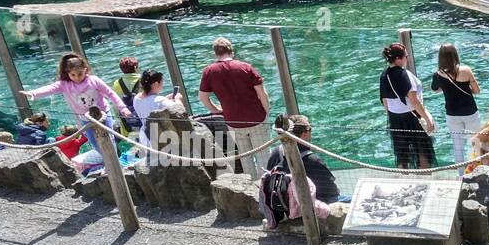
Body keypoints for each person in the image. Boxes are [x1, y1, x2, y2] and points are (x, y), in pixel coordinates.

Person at [23, 52, 133, 154]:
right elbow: (49, 88)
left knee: (109, 139)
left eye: (80, 74)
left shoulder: (93, 80)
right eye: (73, 75)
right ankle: (106, 160)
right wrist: (33, 93)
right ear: (67, 73)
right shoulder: (64, 84)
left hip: (103, 114)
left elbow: (110, 93)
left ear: (85, 69)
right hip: (85, 118)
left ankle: (114, 162)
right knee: (94, 142)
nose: (77, 78)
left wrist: (123, 108)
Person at [198, 37, 270, 179]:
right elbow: (262, 93)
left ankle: (253, 190)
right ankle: (267, 189)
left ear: (216, 53)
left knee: (246, 158)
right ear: (231, 50)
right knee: (264, 158)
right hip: (257, 118)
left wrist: (216, 110)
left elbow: (202, 97)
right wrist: (266, 112)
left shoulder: (209, 71)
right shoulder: (245, 67)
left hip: (233, 122)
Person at [379, 42, 436, 172]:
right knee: (423, 151)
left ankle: (403, 179)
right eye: (405, 56)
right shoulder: (404, 75)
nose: (407, 58)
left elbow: (384, 102)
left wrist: (394, 114)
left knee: (402, 154)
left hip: (394, 118)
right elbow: (414, 101)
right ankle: (425, 179)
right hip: (412, 117)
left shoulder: (384, 75)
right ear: (398, 59)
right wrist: (427, 119)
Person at [265, 113, 342, 203]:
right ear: (304, 134)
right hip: (311, 202)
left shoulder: (276, 152)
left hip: (285, 201)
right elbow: (330, 191)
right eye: (310, 129)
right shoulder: (312, 160)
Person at [430, 43, 481, 166]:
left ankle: (461, 174)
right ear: (455, 55)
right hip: (470, 112)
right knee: (475, 142)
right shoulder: (465, 70)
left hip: (452, 114)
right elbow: (477, 91)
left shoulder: (438, 75)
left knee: (457, 146)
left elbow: (434, 89)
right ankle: (477, 170)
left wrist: (446, 86)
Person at [132, 69, 184, 150]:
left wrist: (165, 99)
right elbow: (181, 111)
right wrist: (178, 99)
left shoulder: (136, 98)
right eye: (161, 82)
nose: (162, 85)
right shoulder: (160, 101)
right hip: (162, 139)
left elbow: (149, 103)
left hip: (145, 138)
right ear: (156, 84)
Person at [111, 57, 142, 135]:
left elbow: (115, 106)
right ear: (135, 67)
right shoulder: (143, 81)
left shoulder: (117, 84)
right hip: (145, 124)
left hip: (126, 127)